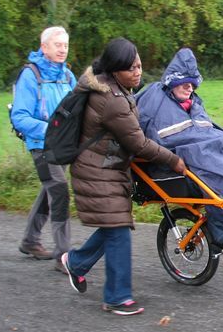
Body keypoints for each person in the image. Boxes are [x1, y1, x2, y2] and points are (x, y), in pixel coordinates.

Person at [60, 37, 186, 316]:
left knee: (113, 227)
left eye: (140, 66)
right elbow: (138, 143)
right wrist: (173, 159)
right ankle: (117, 296)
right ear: (115, 69)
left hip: (106, 168)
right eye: (131, 68)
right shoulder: (112, 99)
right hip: (98, 172)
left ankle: (77, 263)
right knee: (118, 230)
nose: (138, 72)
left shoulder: (114, 88)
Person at [136, 48, 223, 251]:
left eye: (193, 84)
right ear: (173, 82)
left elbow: (209, 130)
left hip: (205, 148)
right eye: (185, 84)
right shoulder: (156, 97)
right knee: (219, 171)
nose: (190, 88)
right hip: (179, 157)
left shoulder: (194, 103)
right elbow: (142, 131)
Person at [11, 26, 76, 273]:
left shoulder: (67, 76)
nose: (62, 50)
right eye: (58, 45)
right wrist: (51, 131)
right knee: (59, 190)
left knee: (50, 190)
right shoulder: (30, 75)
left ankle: (29, 241)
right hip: (41, 145)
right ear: (44, 47)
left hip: (63, 146)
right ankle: (64, 256)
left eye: (66, 45)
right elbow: (20, 116)